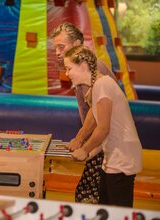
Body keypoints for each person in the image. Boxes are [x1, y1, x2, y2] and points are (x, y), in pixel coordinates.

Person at [64, 45, 142, 207]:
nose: (66, 73)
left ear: (83, 66)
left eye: (69, 68)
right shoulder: (97, 87)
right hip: (113, 156)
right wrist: (90, 153)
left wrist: (84, 149)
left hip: (122, 158)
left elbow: (103, 129)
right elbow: (110, 129)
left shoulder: (103, 85)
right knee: (106, 207)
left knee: (119, 212)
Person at [50, 22, 118, 204]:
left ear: (78, 44)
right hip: (101, 142)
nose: (57, 52)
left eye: (61, 47)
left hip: (107, 144)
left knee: (87, 195)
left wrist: (80, 140)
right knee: (97, 195)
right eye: (55, 47)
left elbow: (97, 114)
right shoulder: (82, 70)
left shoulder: (92, 69)